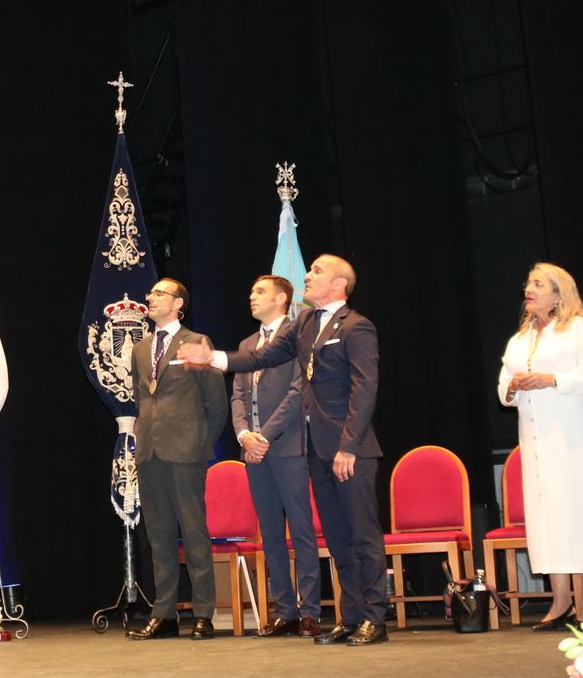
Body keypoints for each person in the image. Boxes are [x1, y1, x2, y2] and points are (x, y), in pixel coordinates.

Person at [182, 254, 389, 647]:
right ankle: (351, 616)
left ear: (340, 285)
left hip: (350, 450)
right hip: (316, 450)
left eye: (317, 272)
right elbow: (261, 356)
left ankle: (375, 618)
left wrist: (349, 446)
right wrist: (213, 358)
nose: (308, 276)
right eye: (309, 270)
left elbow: (365, 390)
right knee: (338, 539)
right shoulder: (306, 323)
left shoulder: (357, 326)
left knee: (363, 536)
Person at [497, 263, 583, 629]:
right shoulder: (521, 337)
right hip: (533, 433)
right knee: (547, 514)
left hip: (570, 431)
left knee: (577, 511)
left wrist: (551, 379)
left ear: (559, 294)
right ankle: (560, 603)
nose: (529, 288)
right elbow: (503, 386)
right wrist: (512, 388)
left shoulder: (576, 329)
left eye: (539, 284)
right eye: (528, 282)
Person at [127, 278, 229, 641]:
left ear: (178, 304)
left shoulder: (196, 343)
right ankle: (164, 614)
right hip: (150, 449)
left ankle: (203, 614)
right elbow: (143, 399)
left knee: (194, 531)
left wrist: (200, 440)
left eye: (158, 294)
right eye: (150, 292)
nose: (149, 297)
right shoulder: (140, 349)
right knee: (158, 534)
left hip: (186, 450)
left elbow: (216, 403)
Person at [231, 274, 321, 638]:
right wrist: (243, 434)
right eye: (251, 290)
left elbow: (298, 392)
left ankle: (310, 610)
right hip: (253, 451)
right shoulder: (248, 343)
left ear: (283, 299)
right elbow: (237, 394)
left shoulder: (298, 335)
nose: (252, 297)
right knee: (270, 534)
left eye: (260, 291)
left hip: (286, 446)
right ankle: (285, 611)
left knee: (301, 529)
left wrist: (264, 435)